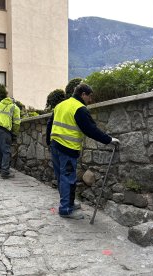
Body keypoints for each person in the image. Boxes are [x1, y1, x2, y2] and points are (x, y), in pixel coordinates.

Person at [46, 83, 120, 220]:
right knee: (68, 179)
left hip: (55, 146)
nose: (90, 100)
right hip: (67, 148)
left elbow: (49, 124)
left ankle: (69, 204)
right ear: (83, 94)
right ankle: (66, 209)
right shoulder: (79, 108)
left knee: (62, 178)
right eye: (89, 96)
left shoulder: (61, 105)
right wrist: (109, 140)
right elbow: (90, 130)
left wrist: (48, 142)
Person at [0, 95, 21, 179]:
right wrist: (14, 134)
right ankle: (5, 172)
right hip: (3, 129)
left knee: (0, 150)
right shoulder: (14, 107)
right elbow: (17, 123)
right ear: (13, 101)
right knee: (6, 151)